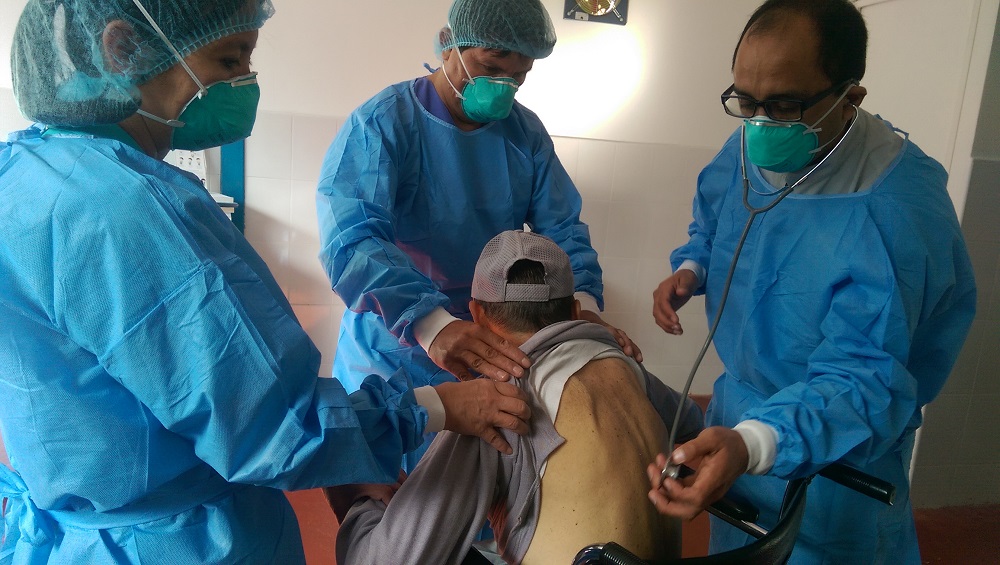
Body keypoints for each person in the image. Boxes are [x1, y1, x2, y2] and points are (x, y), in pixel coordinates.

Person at [0, 1, 532, 562]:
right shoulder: (129, 209)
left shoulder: (27, 171)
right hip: (181, 542)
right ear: (121, 49)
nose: (244, 81)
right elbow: (272, 427)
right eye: (230, 59)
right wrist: (434, 407)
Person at [647, 1, 977, 563]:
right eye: (745, 102)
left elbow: (866, 379)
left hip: (838, 456)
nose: (759, 123)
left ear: (851, 97)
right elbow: (716, 219)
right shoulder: (750, 146)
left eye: (783, 105)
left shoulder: (896, 210)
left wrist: (756, 442)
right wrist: (693, 267)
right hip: (737, 423)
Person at [316, 0, 640, 470]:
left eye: (519, 75)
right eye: (491, 68)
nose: (504, 86)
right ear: (449, 45)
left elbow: (563, 227)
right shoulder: (383, 124)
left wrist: (584, 310)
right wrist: (431, 324)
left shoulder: (524, 133)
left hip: (487, 333)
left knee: (473, 487)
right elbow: (353, 241)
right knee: (391, 490)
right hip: (392, 342)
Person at [327, 230, 704, 565]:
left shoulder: (495, 403)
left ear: (475, 315)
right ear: (575, 311)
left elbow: (389, 559)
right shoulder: (628, 366)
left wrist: (356, 495)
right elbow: (692, 424)